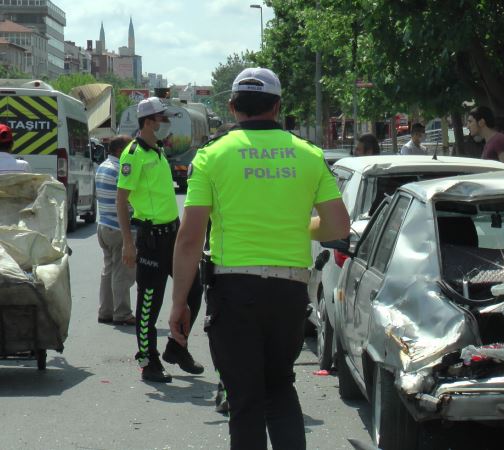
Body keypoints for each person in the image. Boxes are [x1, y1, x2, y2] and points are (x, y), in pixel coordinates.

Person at [170, 67, 349, 450]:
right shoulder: (309, 154)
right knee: (280, 387)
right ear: (277, 106)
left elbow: (189, 239)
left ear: (233, 107)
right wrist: (298, 226)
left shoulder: (211, 156)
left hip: (233, 290)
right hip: (289, 290)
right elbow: (337, 227)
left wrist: (179, 302)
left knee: (245, 400)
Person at [116, 96, 204, 383]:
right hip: (151, 238)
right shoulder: (133, 154)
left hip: (173, 234)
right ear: (148, 122)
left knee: (193, 292)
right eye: (161, 119)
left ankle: (177, 348)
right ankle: (148, 361)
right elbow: (121, 200)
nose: (166, 123)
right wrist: (128, 243)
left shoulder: (158, 151)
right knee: (149, 305)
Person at [96, 135, 136, 326]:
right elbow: (127, 199)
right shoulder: (120, 170)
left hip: (104, 225)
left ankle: (105, 311)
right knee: (122, 272)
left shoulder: (103, 167)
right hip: (119, 227)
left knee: (109, 270)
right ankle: (122, 313)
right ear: (121, 151)